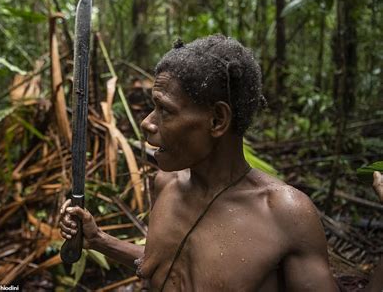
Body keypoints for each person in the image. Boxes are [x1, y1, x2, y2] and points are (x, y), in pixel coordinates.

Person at [59, 34, 339, 291]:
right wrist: (98, 240)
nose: (146, 123)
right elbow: (164, 264)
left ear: (217, 120)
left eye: (165, 110)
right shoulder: (167, 184)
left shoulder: (284, 215)